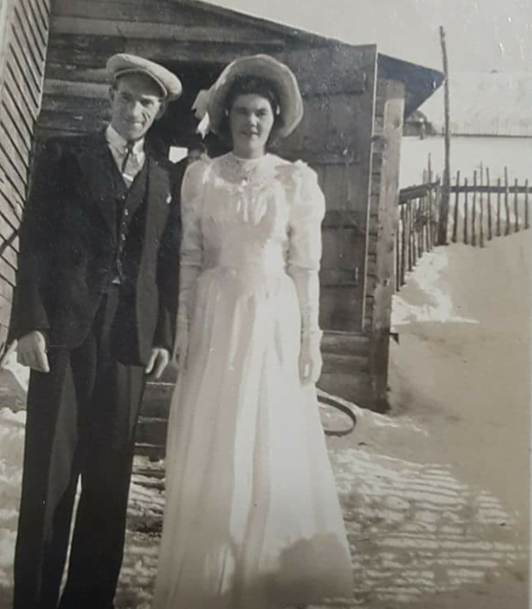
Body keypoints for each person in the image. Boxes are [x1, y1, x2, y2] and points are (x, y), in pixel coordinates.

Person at [153, 54, 353, 609]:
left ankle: (263, 578)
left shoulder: (294, 180)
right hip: (218, 317)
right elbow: (189, 260)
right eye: (241, 112)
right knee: (218, 438)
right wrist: (187, 327)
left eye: (261, 112)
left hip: (272, 317)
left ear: (275, 118)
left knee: (268, 436)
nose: (251, 122)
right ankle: (211, 579)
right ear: (227, 117)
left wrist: (311, 336)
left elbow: (306, 268)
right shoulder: (203, 177)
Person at [8, 53, 183, 609]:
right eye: (127, 98)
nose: (135, 110)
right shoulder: (64, 156)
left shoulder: (161, 176)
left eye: (147, 103)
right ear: (110, 98)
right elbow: (33, 246)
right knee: (50, 479)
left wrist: (162, 335)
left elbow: (166, 261)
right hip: (63, 333)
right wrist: (30, 325)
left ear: (156, 113)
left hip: (128, 340)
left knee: (108, 486)